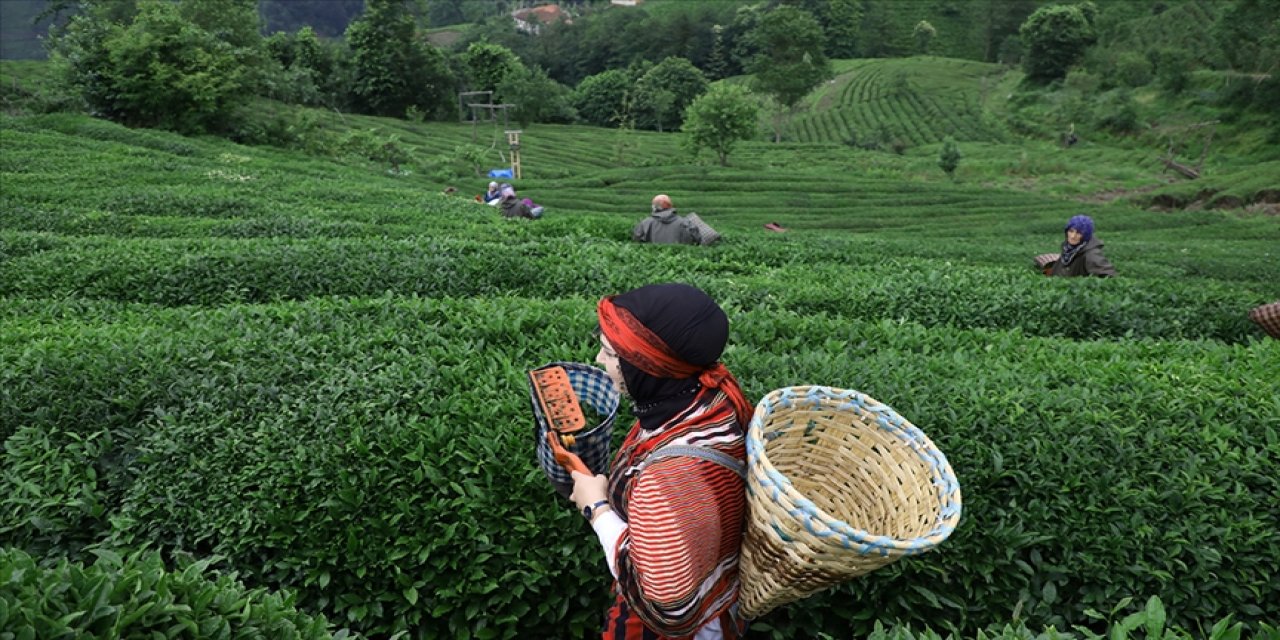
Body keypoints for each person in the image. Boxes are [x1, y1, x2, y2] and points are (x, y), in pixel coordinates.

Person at [571, 283, 750, 639]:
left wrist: (597, 508)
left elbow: (666, 601)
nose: (598, 361)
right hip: (717, 591)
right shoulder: (706, 398)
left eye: (609, 353)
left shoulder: (669, 476)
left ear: (646, 366)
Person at [1044, 214, 1116, 277]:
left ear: (1085, 235)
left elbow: (1107, 276)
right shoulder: (1068, 250)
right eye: (1071, 231)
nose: (1073, 236)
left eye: (1078, 233)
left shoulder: (1091, 254)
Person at [633, 195, 701, 245]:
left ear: (654, 208)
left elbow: (637, 241)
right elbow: (697, 240)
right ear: (670, 206)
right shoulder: (686, 223)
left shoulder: (645, 223)